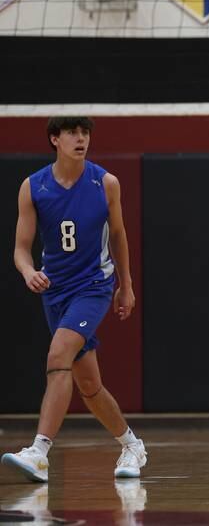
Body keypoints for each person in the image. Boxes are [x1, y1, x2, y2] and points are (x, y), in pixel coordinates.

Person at [2, 117, 147, 483]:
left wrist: (126, 285)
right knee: (89, 386)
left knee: (57, 355)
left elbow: (119, 235)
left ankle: (39, 451)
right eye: (72, 134)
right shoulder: (33, 187)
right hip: (55, 290)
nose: (80, 139)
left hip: (93, 286)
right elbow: (20, 249)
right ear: (55, 140)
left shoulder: (106, 182)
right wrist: (27, 270)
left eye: (85, 134)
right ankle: (132, 445)